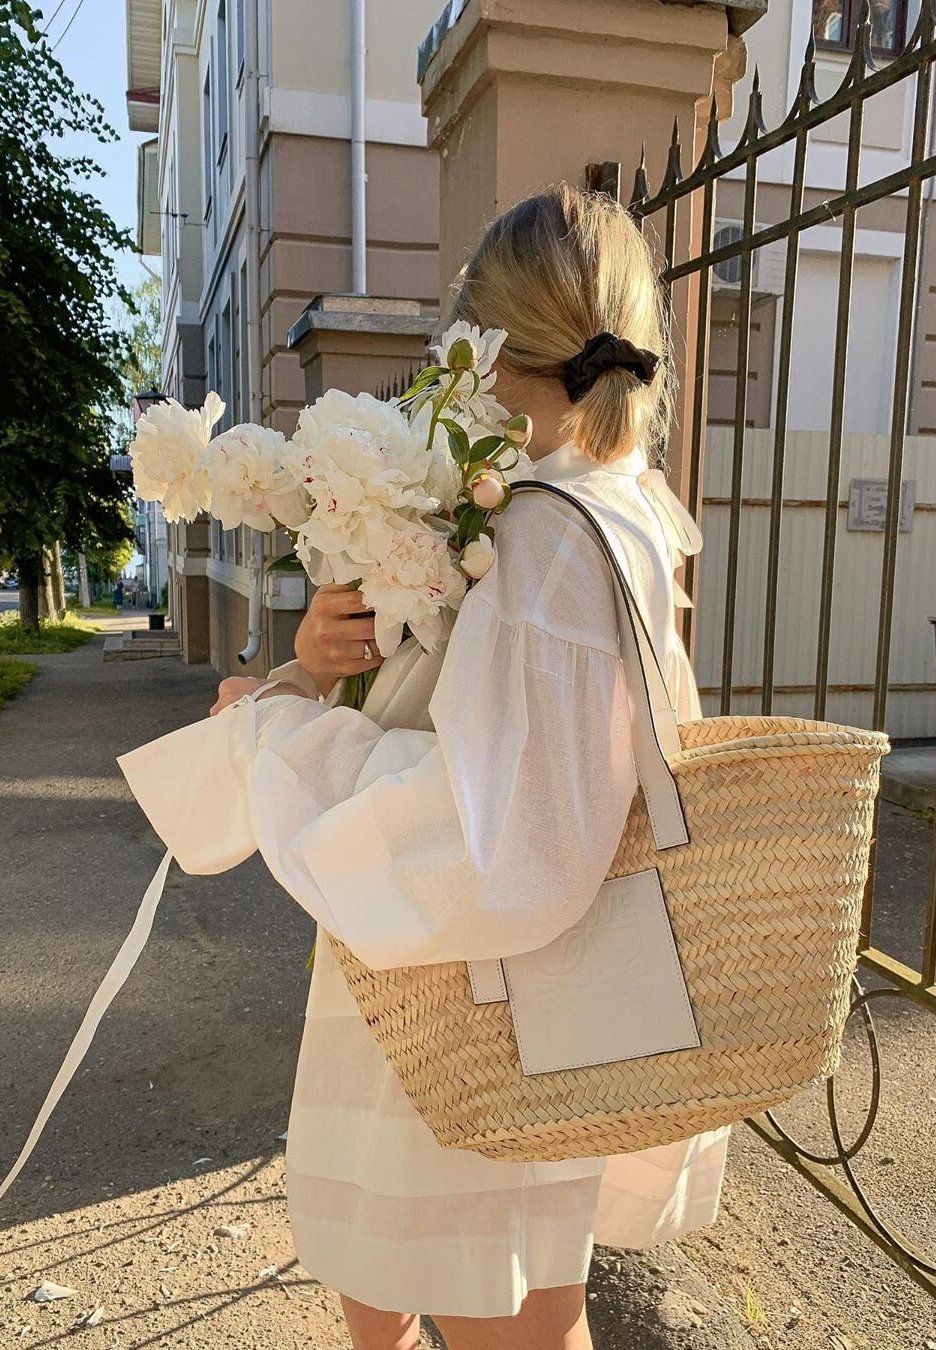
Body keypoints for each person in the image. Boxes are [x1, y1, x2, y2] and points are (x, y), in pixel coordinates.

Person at [124, 185, 729, 1350]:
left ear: (490, 340)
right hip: (458, 988)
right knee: (405, 1282)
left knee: (490, 1306)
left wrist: (278, 731)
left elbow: (500, 844)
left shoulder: (551, 533)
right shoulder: (589, 507)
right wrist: (313, 665)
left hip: (471, 995)